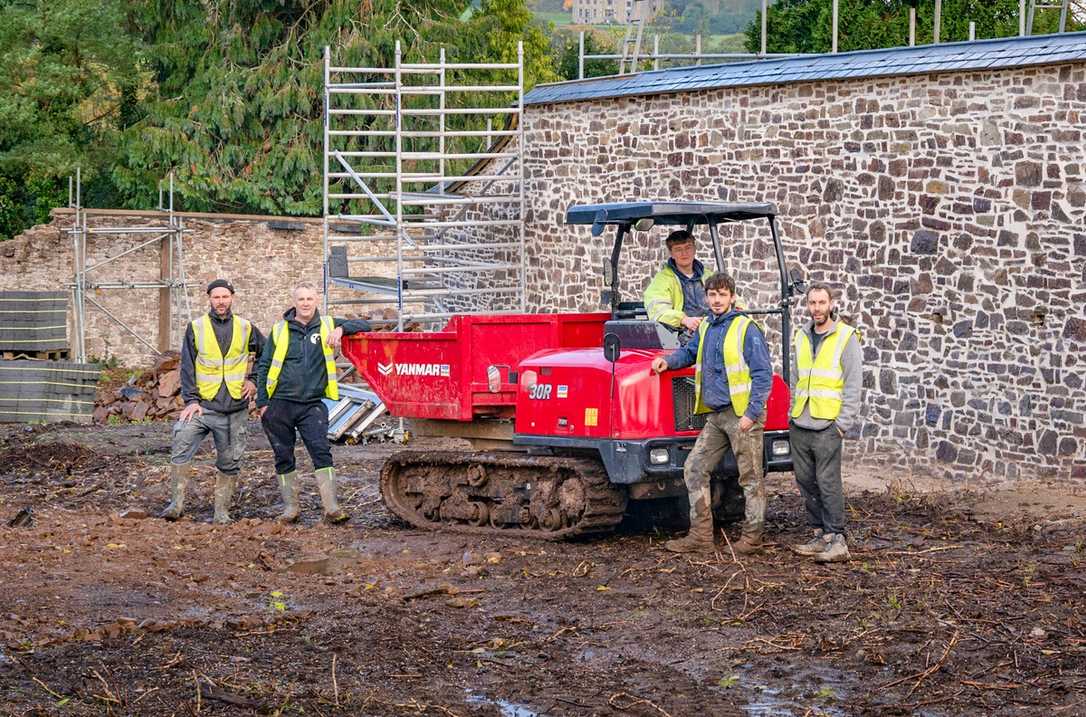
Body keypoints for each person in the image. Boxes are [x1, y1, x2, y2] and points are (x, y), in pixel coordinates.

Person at [651, 273, 773, 554]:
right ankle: (701, 536)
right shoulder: (706, 325)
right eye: (712, 295)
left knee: (751, 478)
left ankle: (752, 539)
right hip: (717, 415)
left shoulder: (746, 328)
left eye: (722, 295)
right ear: (706, 297)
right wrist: (667, 362)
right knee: (694, 468)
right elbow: (689, 352)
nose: (716, 300)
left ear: (732, 297)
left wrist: (751, 414)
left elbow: (763, 375)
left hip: (742, 415)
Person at [255, 283, 370, 524]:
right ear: (294, 302)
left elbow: (365, 325)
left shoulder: (327, 324)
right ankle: (291, 509)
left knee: (321, 452)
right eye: (301, 299)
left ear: (316, 301)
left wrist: (341, 328)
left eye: (309, 298)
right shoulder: (280, 330)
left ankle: (331, 508)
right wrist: (263, 404)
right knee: (283, 455)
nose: (305, 303)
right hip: (280, 403)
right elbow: (264, 365)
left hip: (312, 404)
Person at [162, 279, 264, 524]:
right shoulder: (196, 327)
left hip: (234, 409)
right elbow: (187, 366)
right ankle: (176, 505)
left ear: (232, 298)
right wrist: (191, 401)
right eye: (216, 297)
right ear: (209, 299)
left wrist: (254, 380)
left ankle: (221, 512)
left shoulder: (245, 327)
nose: (221, 301)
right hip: (202, 406)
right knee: (181, 445)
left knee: (229, 461)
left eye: (225, 297)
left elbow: (266, 354)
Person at [789, 283, 862, 563]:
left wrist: (842, 424)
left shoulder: (845, 337)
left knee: (828, 482)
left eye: (821, 302)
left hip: (828, 425)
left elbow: (853, 383)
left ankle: (837, 538)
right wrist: (792, 415)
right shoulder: (802, 336)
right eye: (812, 303)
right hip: (802, 423)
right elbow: (796, 377)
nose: (816, 308)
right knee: (806, 481)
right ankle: (819, 534)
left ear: (831, 304)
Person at [643, 230, 714, 336]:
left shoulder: (709, 276)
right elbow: (657, 310)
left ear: (694, 249)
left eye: (688, 247)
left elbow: (730, 296)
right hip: (681, 335)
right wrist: (684, 319)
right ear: (671, 253)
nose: (684, 253)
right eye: (678, 249)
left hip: (712, 328)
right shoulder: (662, 280)